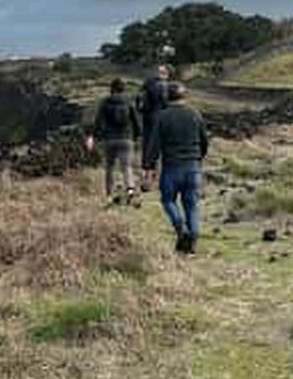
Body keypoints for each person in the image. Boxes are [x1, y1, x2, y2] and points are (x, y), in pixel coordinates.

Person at [147, 81, 209, 254]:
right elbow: (204, 141)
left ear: (167, 97)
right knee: (191, 205)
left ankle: (180, 226)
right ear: (184, 96)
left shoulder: (162, 116)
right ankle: (192, 242)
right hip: (192, 166)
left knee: (168, 200)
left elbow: (154, 144)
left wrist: (150, 166)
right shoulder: (195, 114)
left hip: (171, 166)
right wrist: (198, 158)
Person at [89, 78, 141, 204]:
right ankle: (130, 189)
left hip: (109, 139)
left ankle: (109, 195)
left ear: (111, 88)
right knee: (126, 166)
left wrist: (93, 136)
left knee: (109, 168)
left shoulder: (105, 102)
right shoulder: (129, 102)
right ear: (123, 89)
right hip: (126, 138)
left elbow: (98, 121)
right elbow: (136, 122)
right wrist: (136, 136)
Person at [138, 63, 170, 189]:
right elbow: (165, 102)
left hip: (146, 118)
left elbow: (139, 102)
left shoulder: (146, 84)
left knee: (147, 146)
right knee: (160, 146)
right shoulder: (162, 85)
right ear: (165, 74)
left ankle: (146, 174)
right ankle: (154, 176)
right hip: (159, 118)